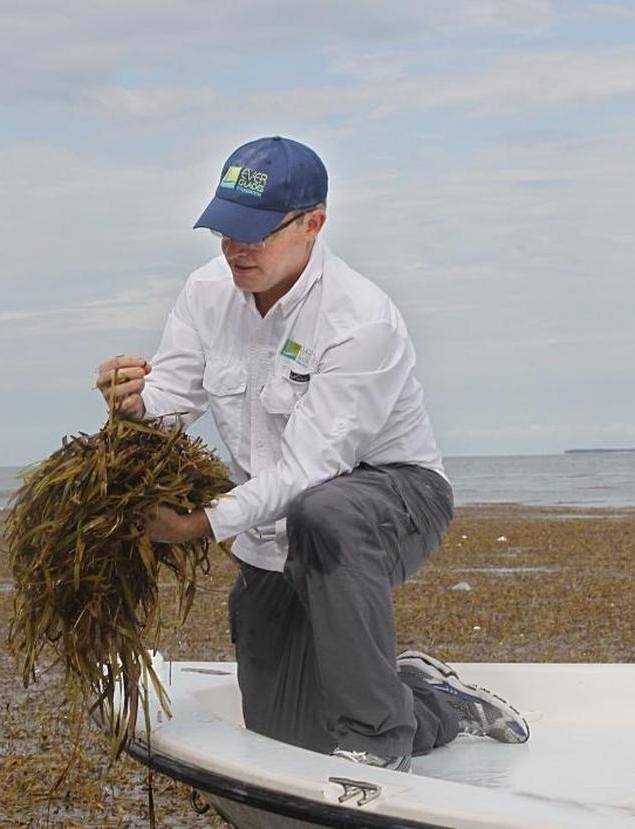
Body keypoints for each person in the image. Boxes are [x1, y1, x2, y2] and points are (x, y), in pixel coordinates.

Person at [95, 136, 528, 772]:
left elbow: (307, 472)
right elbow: (172, 397)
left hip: (392, 496)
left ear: (313, 224)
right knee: (284, 731)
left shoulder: (359, 320)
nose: (235, 249)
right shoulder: (206, 292)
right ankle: (431, 700)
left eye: (255, 233)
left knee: (325, 511)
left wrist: (194, 526)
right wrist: (129, 399)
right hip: (275, 519)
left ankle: (379, 739)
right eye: (224, 230)